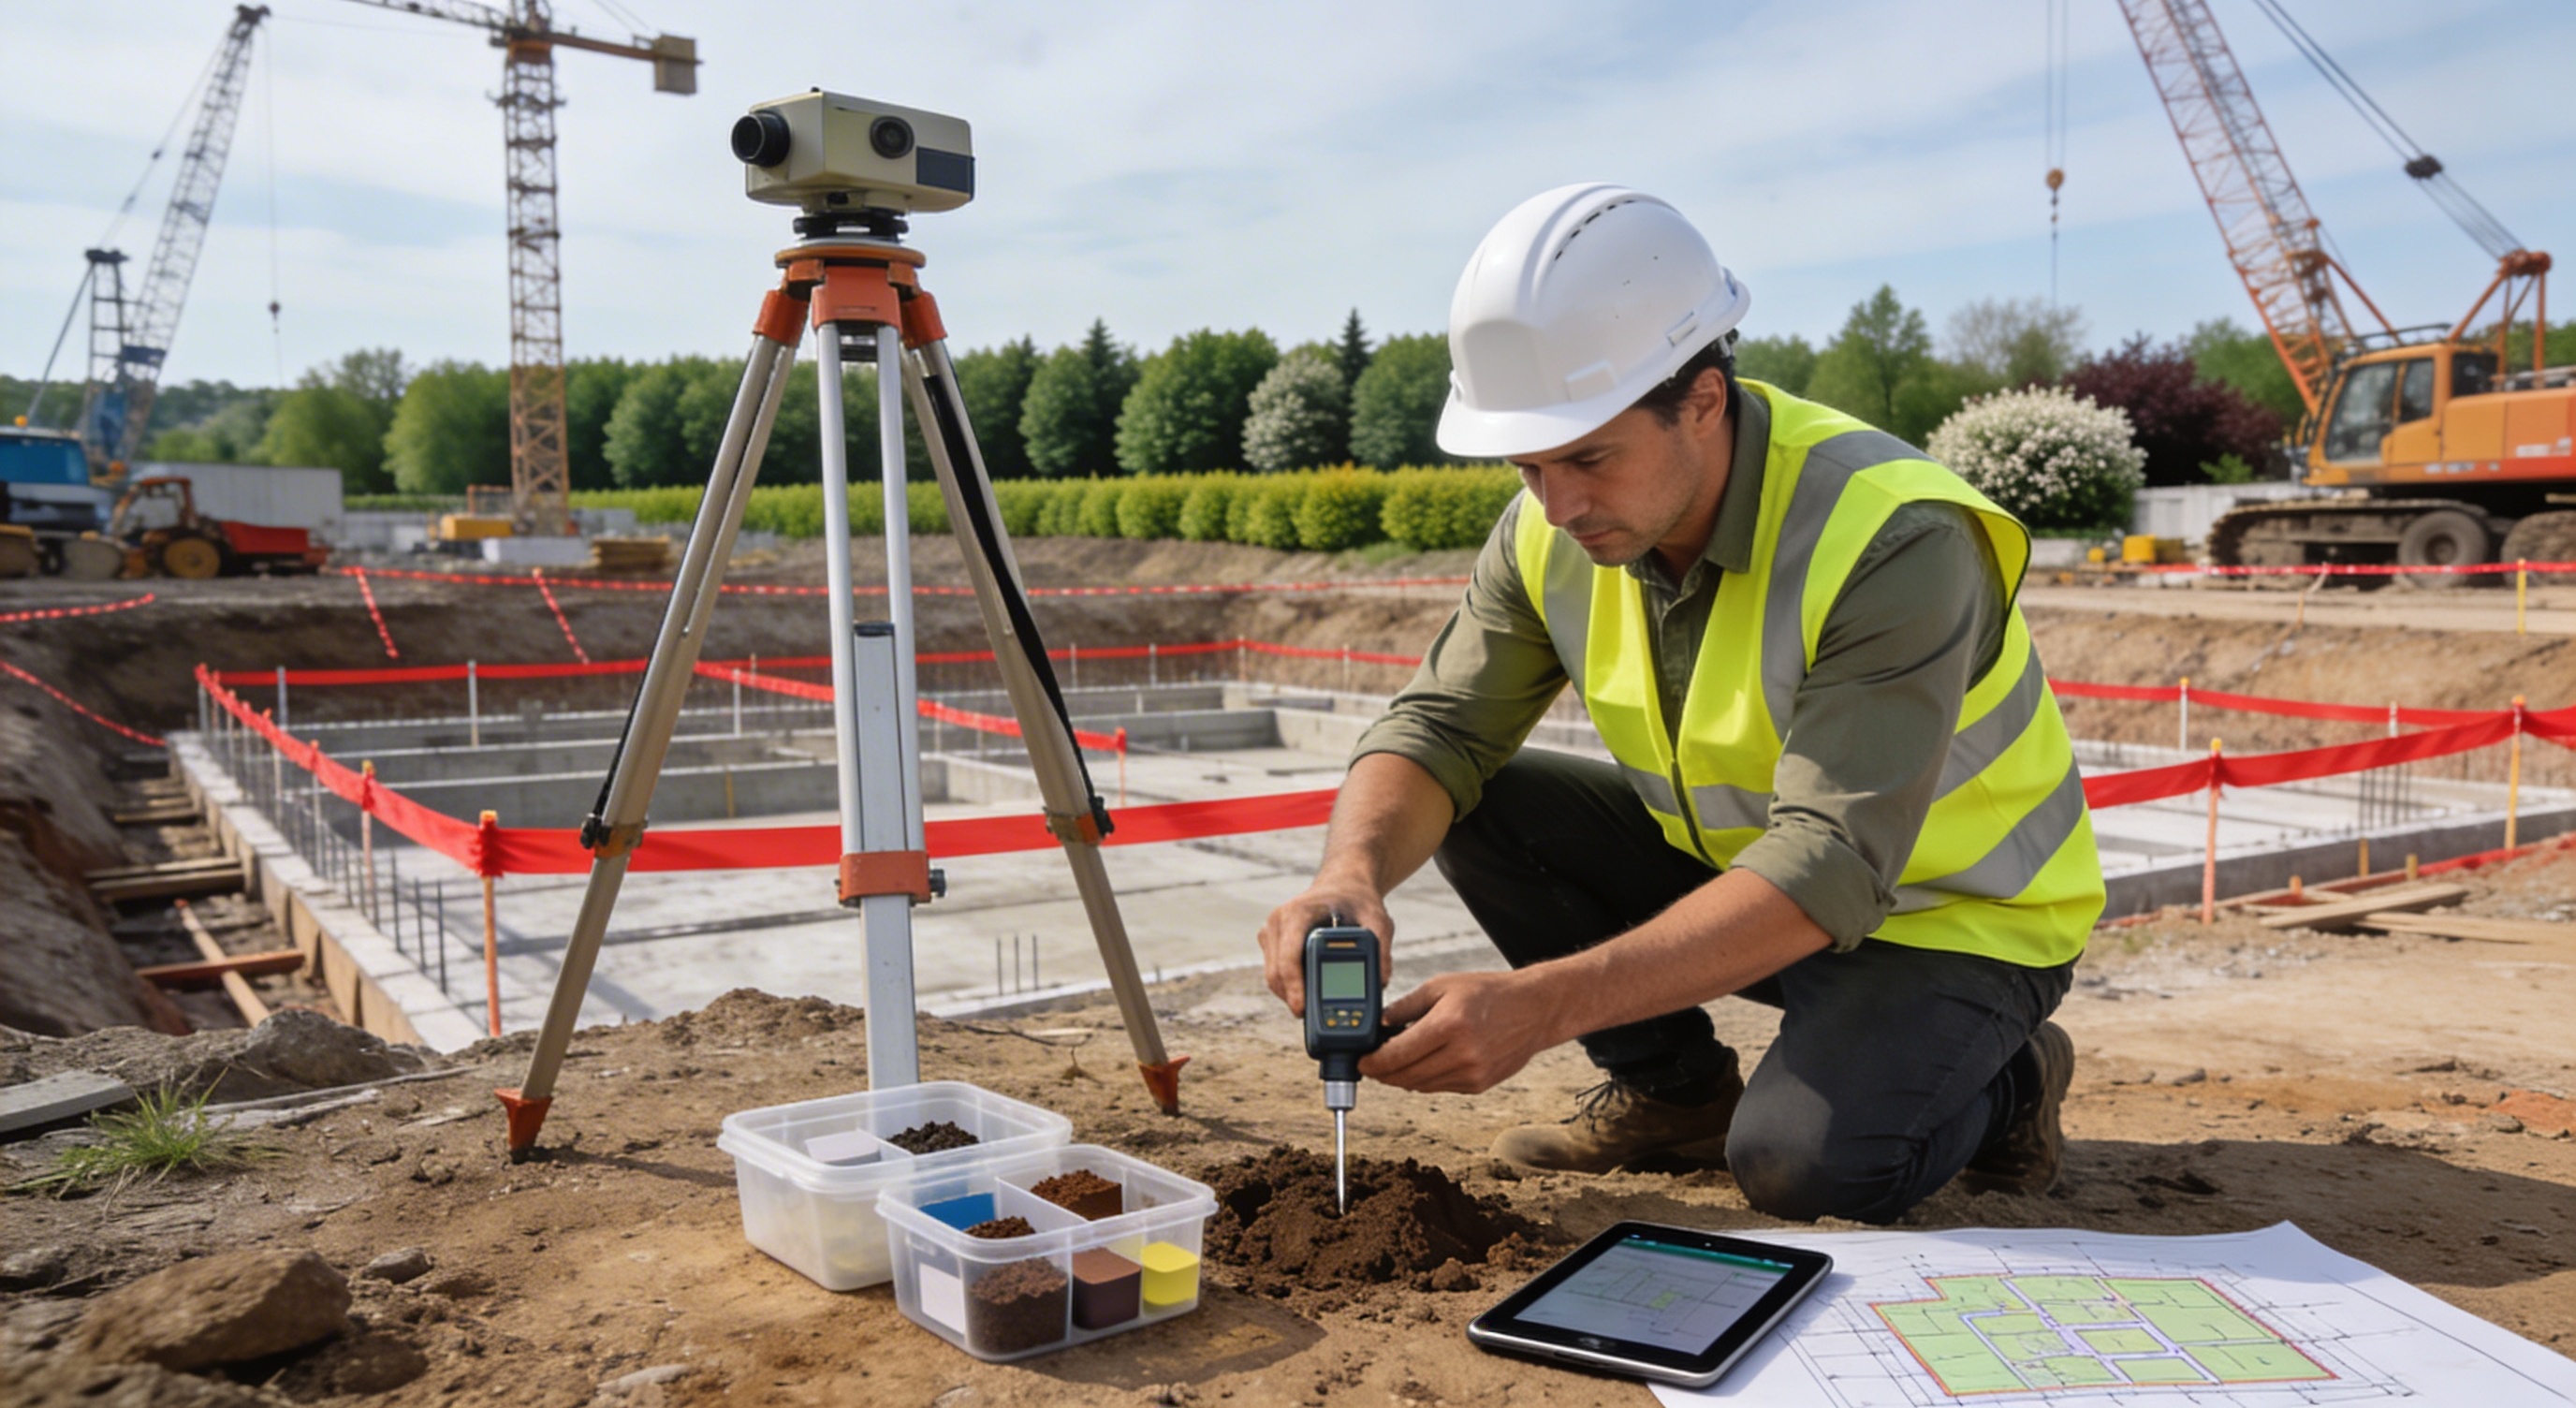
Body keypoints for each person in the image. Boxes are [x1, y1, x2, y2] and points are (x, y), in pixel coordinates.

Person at [1255, 184, 2105, 1224]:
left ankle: (2015, 1076)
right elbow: (1438, 730)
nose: (1556, 505)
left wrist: (1543, 1006)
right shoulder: (1552, 528)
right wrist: (1350, 873)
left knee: (1809, 1169)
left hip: (1957, 917)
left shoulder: (1894, 536)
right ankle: (1675, 1095)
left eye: (1587, 457)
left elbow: (1830, 861)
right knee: (1482, 798)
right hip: (1753, 876)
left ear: (1703, 399)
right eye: (1527, 465)